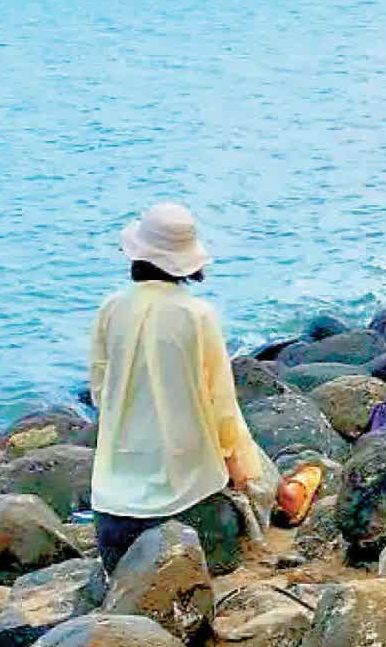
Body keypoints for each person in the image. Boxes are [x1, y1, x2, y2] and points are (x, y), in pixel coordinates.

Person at [88, 203, 261, 575]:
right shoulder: (197, 316)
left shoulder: (111, 309)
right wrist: (237, 466)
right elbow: (221, 405)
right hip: (189, 497)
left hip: (115, 503)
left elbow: (101, 393)